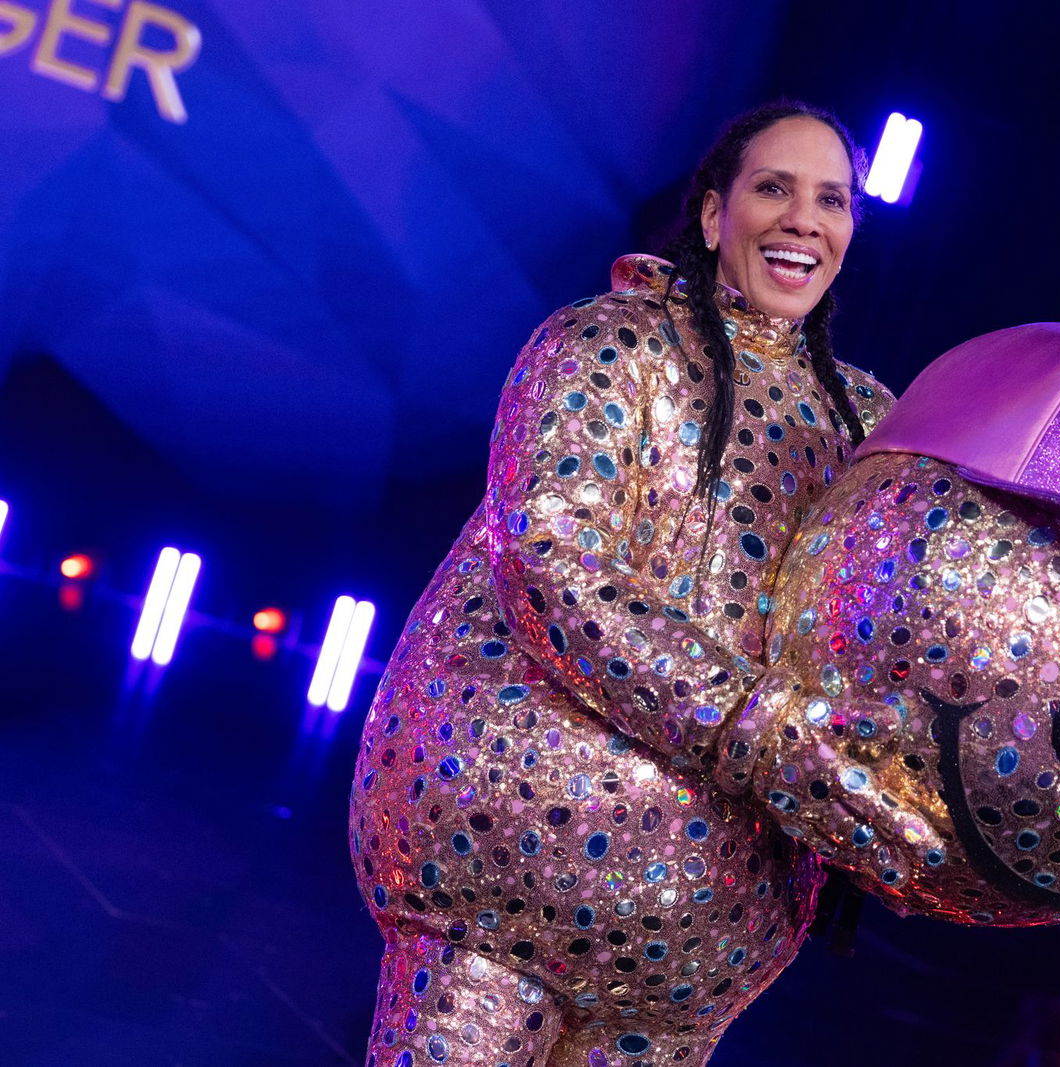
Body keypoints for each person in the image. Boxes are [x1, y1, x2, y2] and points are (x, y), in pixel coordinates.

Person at [349, 101, 894, 1067]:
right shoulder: (607, 347)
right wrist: (755, 726)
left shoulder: (867, 430)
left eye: (833, 200)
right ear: (715, 214)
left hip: (701, 941)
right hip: (503, 873)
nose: (806, 219)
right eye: (776, 188)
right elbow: (552, 563)